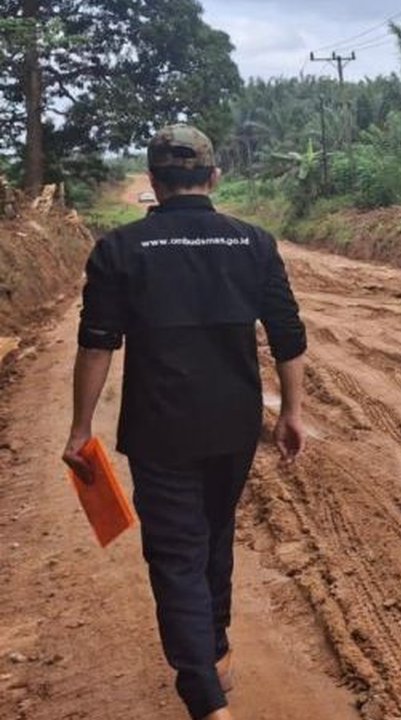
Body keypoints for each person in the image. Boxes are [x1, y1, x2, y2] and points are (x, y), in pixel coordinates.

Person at [61, 124, 308, 720]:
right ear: (214, 177)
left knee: (175, 552)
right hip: (233, 425)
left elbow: (97, 345)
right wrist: (292, 413)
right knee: (215, 533)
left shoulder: (120, 250)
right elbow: (287, 336)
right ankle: (215, 652)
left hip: (160, 429)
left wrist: (80, 428)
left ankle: (205, 695)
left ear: (153, 183)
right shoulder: (254, 243)